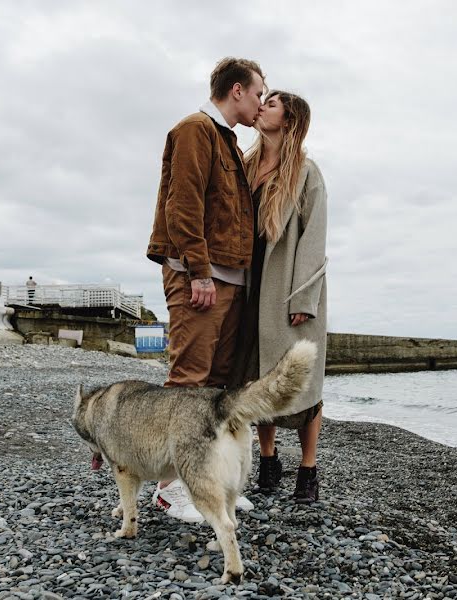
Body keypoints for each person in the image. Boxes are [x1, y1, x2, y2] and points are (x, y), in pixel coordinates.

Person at [145, 57, 266, 523]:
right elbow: (184, 202)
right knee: (188, 382)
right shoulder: (196, 128)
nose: (261, 102)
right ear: (237, 90)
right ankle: (169, 489)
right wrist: (198, 271)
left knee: (215, 386)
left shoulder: (227, 140)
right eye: (259, 93)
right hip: (202, 276)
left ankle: (205, 482)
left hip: (228, 279)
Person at [232, 90, 328, 504]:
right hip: (249, 284)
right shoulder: (245, 165)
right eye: (263, 100)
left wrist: (303, 297)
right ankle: (269, 460)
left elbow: (314, 234)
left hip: (289, 287)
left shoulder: (306, 171)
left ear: (288, 120)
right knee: (259, 375)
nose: (262, 106)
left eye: (271, 104)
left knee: (303, 379)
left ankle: (308, 468)